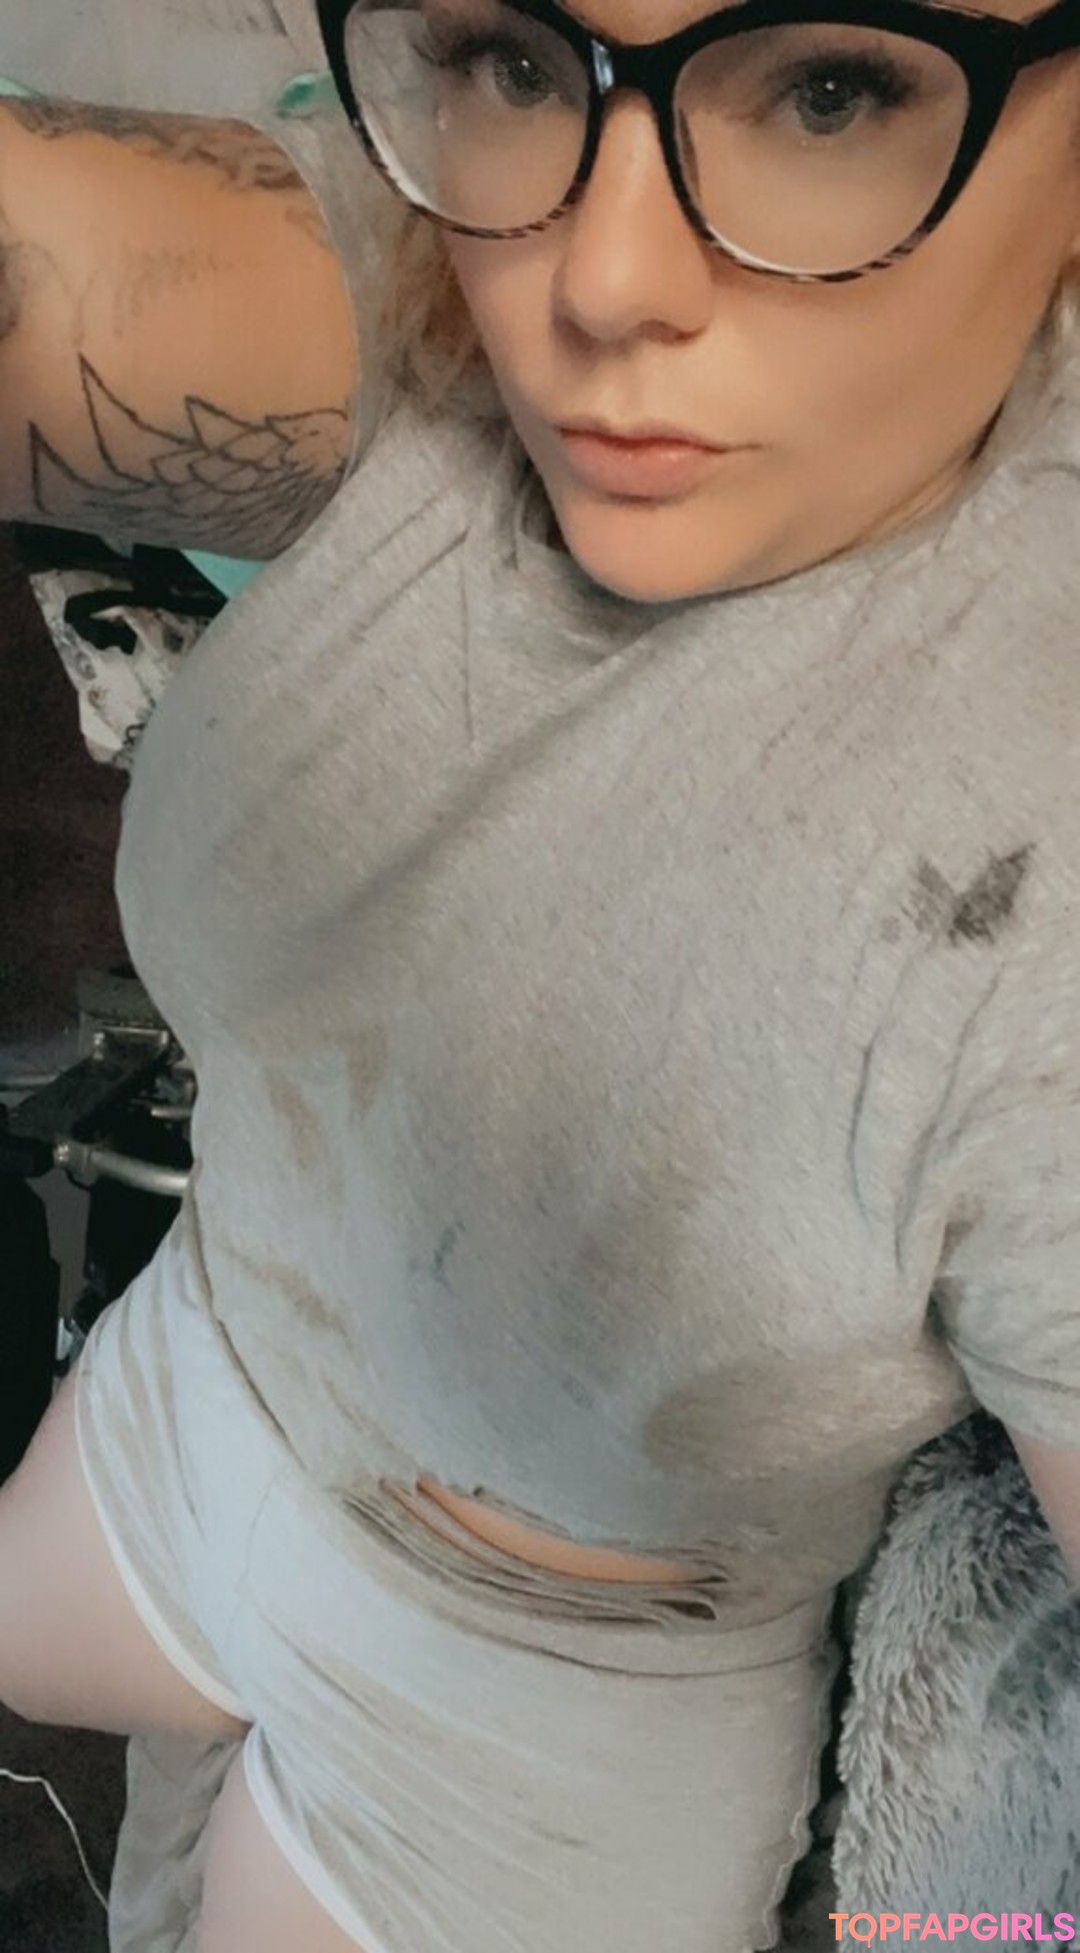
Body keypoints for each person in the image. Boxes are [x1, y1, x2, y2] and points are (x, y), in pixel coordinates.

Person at [1, 1, 1080, 1948]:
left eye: (828, 90)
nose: (600, 279)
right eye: (517, 58)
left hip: (525, 1744)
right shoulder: (428, 270)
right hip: (200, 1389)